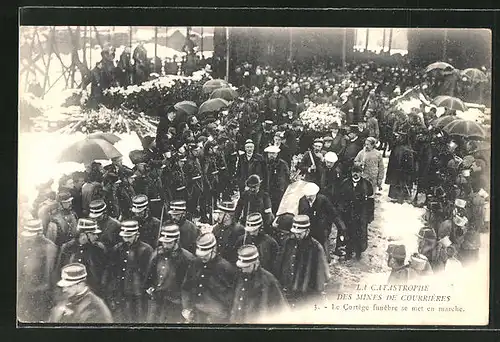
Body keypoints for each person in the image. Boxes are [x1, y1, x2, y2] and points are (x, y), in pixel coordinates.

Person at [101, 220, 153, 323]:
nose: (126, 239)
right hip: (121, 292)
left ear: (137, 235)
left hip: (138, 294)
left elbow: (149, 273)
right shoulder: (117, 249)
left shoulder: (146, 250)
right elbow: (110, 269)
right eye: (124, 237)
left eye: (129, 237)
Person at [274, 215, 330, 307]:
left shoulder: (316, 247)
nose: (297, 236)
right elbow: (280, 262)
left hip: (306, 293)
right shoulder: (288, 242)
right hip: (289, 289)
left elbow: (322, 274)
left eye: (300, 233)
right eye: (295, 233)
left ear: (307, 231)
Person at [181, 233, 237, 323]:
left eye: (205, 255)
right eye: (200, 255)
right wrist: (187, 307)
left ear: (214, 250)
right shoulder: (195, 263)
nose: (202, 258)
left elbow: (233, 297)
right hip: (197, 315)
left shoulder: (226, 268)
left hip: (218, 318)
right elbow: (186, 287)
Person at [145, 223, 196, 323]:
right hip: (156, 298)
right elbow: (150, 273)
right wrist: (150, 286)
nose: (165, 245)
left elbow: (189, 285)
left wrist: (187, 307)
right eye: (163, 242)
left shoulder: (187, 258)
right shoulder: (157, 253)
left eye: (168, 243)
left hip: (174, 303)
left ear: (176, 240)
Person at [229, 244, 288, 323]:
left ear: (256, 264)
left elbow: (282, 309)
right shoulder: (239, 276)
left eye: (247, 267)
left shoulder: (269, 280)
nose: (243, 270)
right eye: (242, 267)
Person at [18, 219, 58, 322]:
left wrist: (38, 290)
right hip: (25, 292)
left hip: (40, 295)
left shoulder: (49, 247)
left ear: (38, 233)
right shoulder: (26, 244)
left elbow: (49, 277)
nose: (27, 237)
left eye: (31, 234)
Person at [56, 218, 107, 296]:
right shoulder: (67, 248)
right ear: (83, 235)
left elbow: (103, 272)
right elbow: (59, 270)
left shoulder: (98, 249)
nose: (96, 237)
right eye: (93, 234)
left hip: (92, 292)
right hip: (71, 292)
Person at [48, 263, 113, 323]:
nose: (64, 290)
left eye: (69, 286)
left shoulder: (96, 306)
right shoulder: (66, 299)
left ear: (81, 284)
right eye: (64, 286)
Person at [337, 165, 374, 260]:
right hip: (348, 214)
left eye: (358, 172)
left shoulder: (367, 185)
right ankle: (348, 252)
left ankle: (358, 253)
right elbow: (340, 199)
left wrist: (370, 216)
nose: (355, 174)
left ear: (361, 173)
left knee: (360, 234)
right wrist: (340, 213)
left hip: (360, 215)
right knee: (347, 233)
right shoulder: (345, 183)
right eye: (354, 172)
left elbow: (370, 202)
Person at [385, 132, 416, 203]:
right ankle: (394, 196)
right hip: (395, 169)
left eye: (399, 136)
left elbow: (410, 163)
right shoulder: (396, 146)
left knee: (401, 184)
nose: (397, 137)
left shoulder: (407, 149)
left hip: (403, 171)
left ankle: (401, 197)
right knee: (395, 183)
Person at [264, 145, 290, 215]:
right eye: (270, 153)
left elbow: (287, 177)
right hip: (268, 189)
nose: (271, 155)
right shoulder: (265, 163)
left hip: (278, 190)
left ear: (277, 154)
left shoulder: (282, 164)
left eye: (273, 153)